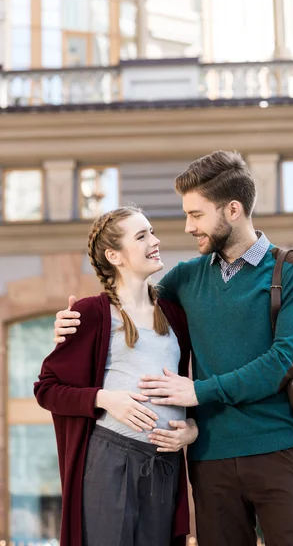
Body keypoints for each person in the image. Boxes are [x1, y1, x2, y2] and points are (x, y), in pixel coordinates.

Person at [54, 151, 293, 546]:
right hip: (208, 459)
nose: (187, 227)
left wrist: (200, 392)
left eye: (196, 215)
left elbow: (287, 358)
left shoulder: (292, 269)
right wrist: (70, 326)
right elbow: (129, 305)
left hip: (278, 448)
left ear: (232, 210)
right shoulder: (185, 278)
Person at [35, 205, 198, 546]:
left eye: (151, 231)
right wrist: (104, 398)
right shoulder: (90, 313)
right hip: (111, 459)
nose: (155, 241)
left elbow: (186, 389)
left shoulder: (174, 315)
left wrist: (192, 429)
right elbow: (47, 389)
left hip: (165, 464)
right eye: (141, 236)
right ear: (115, 255)